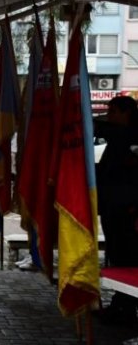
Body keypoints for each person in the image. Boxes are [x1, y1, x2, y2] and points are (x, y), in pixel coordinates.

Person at [95, 95, 138, 325]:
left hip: (127, 209)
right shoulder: (119, 136)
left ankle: (127, 307)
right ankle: (120, 305)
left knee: (127, 257)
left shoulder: (130, 135)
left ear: (126, 113)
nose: (109, 116)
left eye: (113, 111)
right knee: (116, 255)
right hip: (113, 206)